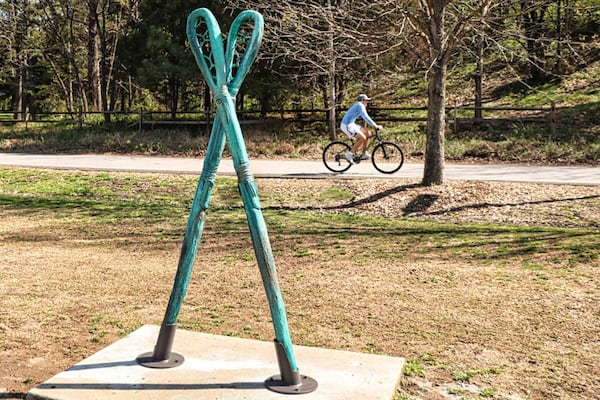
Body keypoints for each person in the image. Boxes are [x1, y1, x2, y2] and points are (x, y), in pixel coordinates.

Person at [340, 94, 383, 164]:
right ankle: (349, 154)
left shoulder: (360, 105)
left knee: (367, 133)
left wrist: (374, 125)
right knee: (362, 138)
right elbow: (366, 117)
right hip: (346, 125)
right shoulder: (360, 105)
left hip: (351, 124)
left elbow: (366, 117)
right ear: (362, 100)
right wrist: (375, 126)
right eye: (366, 100)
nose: (367, 102)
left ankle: (364, 153)